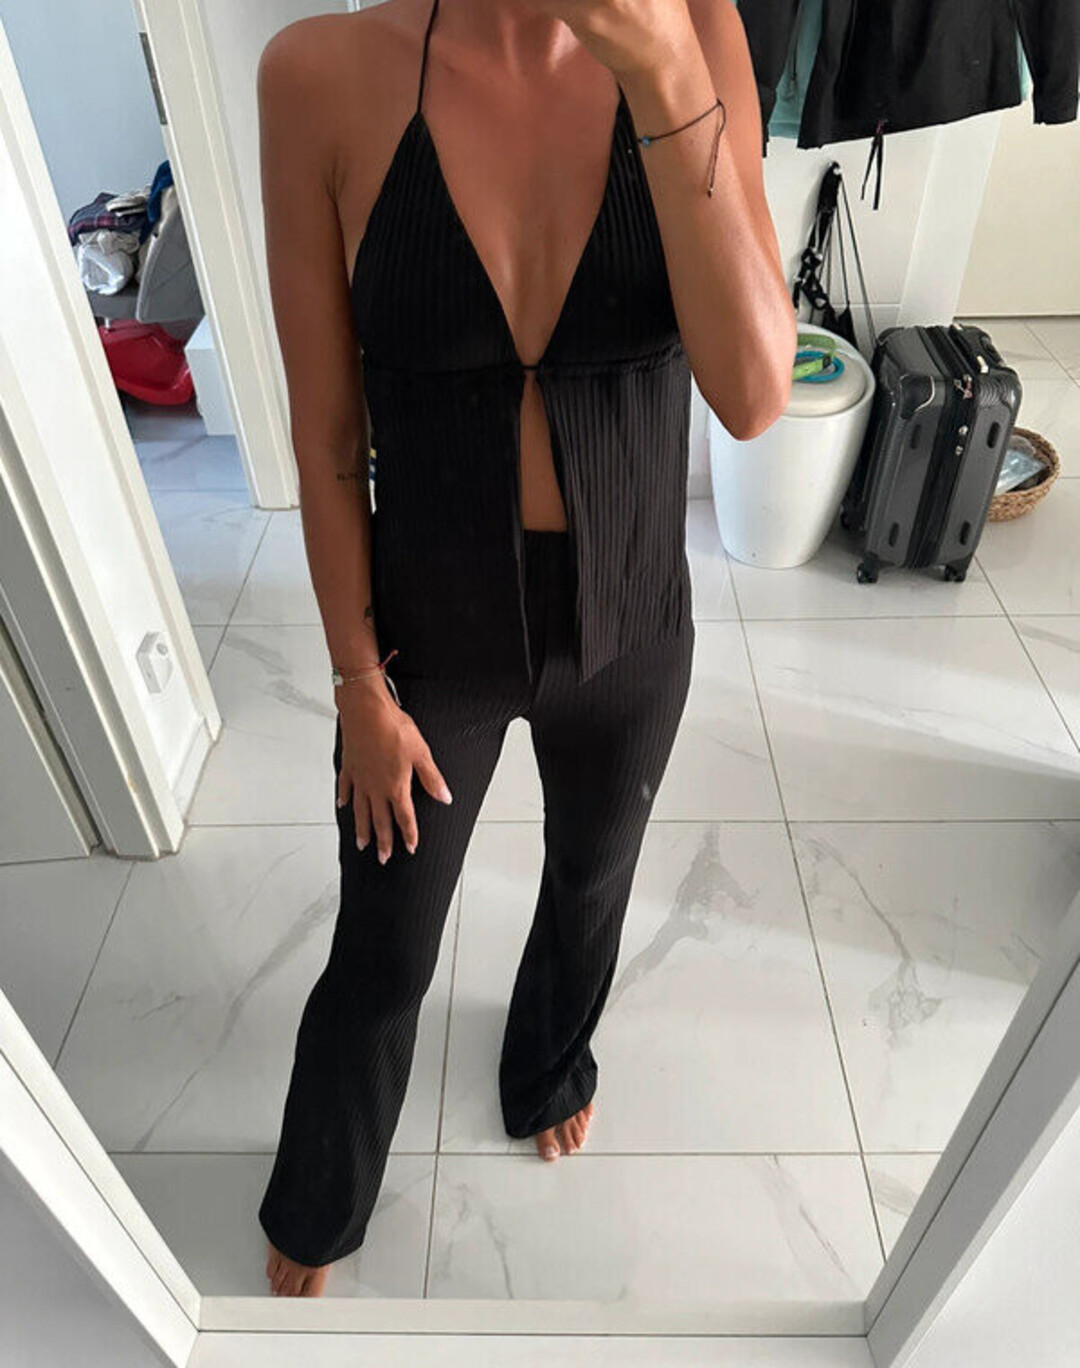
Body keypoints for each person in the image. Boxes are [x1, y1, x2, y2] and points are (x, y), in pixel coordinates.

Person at [255, 0, 794, 1298]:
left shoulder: (698, 34)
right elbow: (326, 439)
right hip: (428, 639)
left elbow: (754, 392)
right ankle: (323, 1195)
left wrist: (661, 64)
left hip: (634, 622)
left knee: (591, 884)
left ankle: (549, 1065)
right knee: (386, 942)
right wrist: (357, 683)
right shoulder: (319, 73)